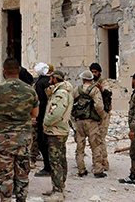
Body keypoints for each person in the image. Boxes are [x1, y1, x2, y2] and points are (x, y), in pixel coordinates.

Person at [0, 59, 39, 202]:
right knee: (22, 173)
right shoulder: (30, 89)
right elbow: (35, 114)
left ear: (4, 71)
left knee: (4, 174)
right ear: (19, 71)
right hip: (24, 137)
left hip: (3, 138)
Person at [42, 70, 73, 200]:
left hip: (56, 130)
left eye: (51, 78)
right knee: (60, 159)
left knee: (55, 161)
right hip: (59, 129)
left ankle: (58, 191)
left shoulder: (60, 93)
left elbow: (56, 112)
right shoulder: (62, 91)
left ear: (55, 79)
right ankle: (59, 186)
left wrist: (46, 122)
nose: (49, 80)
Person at [72, 70, 106, 178]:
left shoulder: (77, 89)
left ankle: (81, 169)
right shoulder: (94, 90)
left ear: (83, 79)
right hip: (91, 121)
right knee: (96, 145)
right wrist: (101, 116)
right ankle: (98, 170)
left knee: (80, 146)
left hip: (79, 121)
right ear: (91, 79)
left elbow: (71, 103)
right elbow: (99, 106)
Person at [90, 62, 112, 171]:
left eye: (95, 72)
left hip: (104, 114)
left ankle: (104, 163)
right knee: (95, 139)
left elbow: (108, 93)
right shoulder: (91, 83)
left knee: (101, 138)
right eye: (92, 72)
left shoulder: (104, 82)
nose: (94, 74)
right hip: (94, 115)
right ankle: (98, 161)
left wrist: (101, 89)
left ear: (99, 72)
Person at [33, 62, 52, 177]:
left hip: (42, 116)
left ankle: (47, 167)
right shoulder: (51, 81)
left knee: (42, 141)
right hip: (51, 114)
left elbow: (40, 102)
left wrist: (36, 116)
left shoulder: (40, 83)